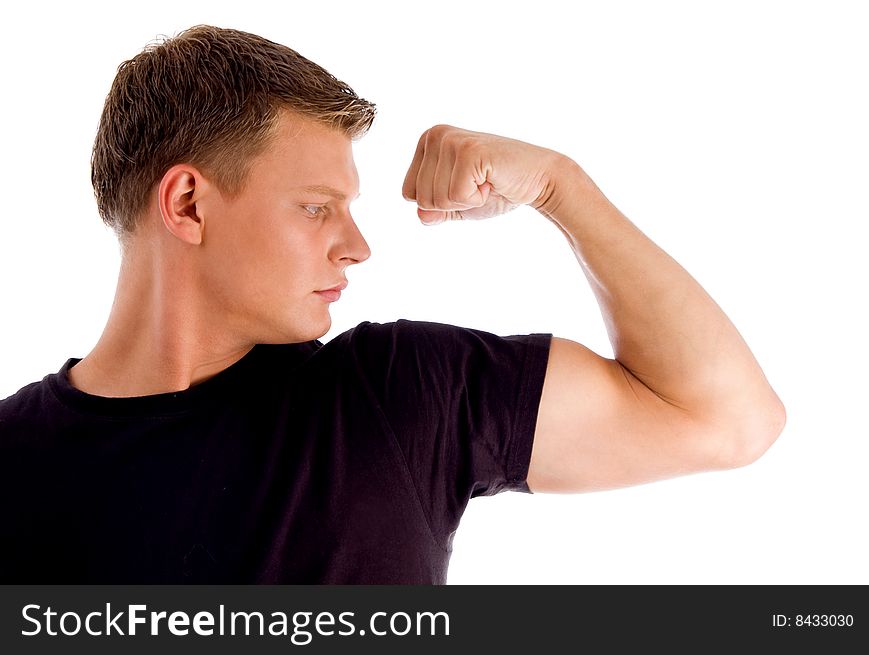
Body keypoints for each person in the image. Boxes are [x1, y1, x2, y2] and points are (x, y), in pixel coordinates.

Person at [0, 25, 785, 584]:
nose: (357, 246)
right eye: (316, 208)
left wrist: (559, 186)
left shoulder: (398, 393)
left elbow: (727, 420)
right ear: (190, 204)